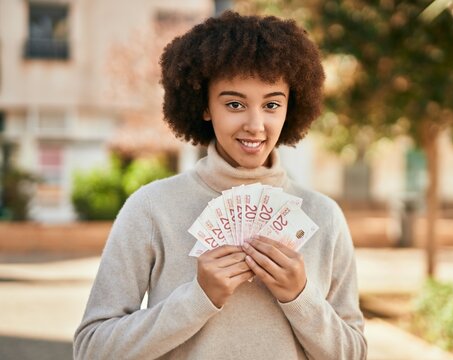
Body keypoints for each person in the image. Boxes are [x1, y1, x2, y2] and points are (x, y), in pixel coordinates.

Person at [74, 11, 367, 360]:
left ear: (292, 106)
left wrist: (300, 297)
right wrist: (198, 299)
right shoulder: (151, 208)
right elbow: (92, 349)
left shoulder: (324, 216)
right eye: (234, 104)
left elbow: (354, 354)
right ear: (205, 107)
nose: (255, 125)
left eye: (272, 104)